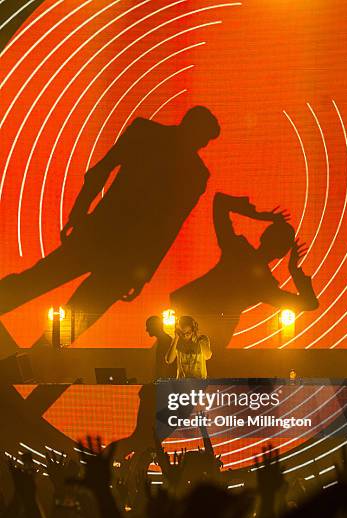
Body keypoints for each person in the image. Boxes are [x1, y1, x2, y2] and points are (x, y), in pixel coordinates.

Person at [0, 107, 220, 341]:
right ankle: (39, 359)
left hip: (100, 233)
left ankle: (37, 357)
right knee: (76, 315)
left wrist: (78, 214)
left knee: (39, 280)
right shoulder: (196, 174)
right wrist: (142, 273)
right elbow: (169, 228)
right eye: (204, 139)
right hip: (127, 258)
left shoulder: (145, 132)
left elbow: (101, 170)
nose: (203, 146)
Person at [170, 192, 319, 351]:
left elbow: (220, 201)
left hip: (191, 311)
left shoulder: (237, 249)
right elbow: (309, 303)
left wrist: (261, 216)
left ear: (263, 236)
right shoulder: (265, 286)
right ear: (282, 253)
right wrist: (294, 270)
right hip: (214, 335)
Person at [145, 315, 176, 380]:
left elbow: (165, 366)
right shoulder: (164, 340)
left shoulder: (166, 341)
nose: (146, 330)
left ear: (154, 326)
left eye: (148, 326)